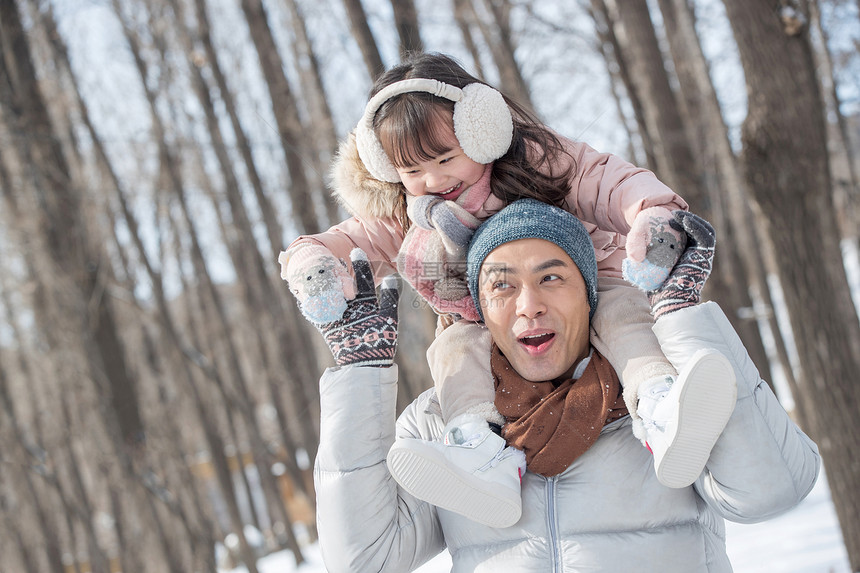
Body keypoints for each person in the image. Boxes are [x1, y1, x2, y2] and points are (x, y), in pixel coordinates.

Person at [280, 52, 736, 526]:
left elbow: (606, 181)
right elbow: (349, 239)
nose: (433, 181)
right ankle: (478, 449)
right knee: (453, 350)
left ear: (482, 128)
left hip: (590, 282)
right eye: (412, 170)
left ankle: (661, 405)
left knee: (622, 317)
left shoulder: (539, 160)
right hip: (482, 320)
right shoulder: (407, 207)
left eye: (444, 158)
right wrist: (312, 262)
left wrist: (648, 213)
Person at [308, 199, 820, 572]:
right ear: (481, 311)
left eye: (551, 278)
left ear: (589, 293)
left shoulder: (666, 390)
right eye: (501, 285)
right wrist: (360, 371)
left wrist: (680, 315)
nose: (528, 304)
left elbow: (770, 491)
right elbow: (364, 560)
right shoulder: (442, 423)